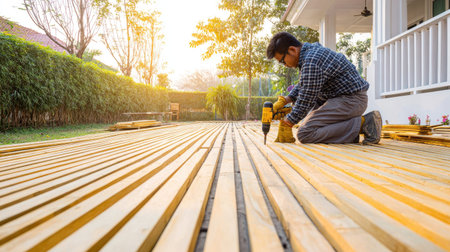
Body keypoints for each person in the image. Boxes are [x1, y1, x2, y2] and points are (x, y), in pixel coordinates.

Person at [266, 32, 382, 144]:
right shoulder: (310, 54)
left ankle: (365, 123)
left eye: (282, 61)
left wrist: (288, 122)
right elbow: (305, 84)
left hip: (351, 100)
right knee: (310, 122)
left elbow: (306, 98)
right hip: (341, 98)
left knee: (305, 133)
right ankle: (351, 128)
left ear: (292, 50)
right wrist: (286, 100)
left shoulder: (312, 61)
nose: (284, 65)